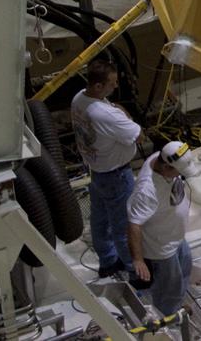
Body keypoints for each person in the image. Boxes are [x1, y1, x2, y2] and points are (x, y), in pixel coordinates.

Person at [70, 59, 142, 277]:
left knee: (100, 220)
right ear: (98, 86)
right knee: (124, 227)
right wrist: (124, 114)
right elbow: (138, 135)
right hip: (116, 176)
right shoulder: (105, 114)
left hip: (96, 172)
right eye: (112, 83)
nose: (116, 86)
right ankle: (134, 270)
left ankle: (108, 262)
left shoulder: (79, 98)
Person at [127, 140, 197, 317]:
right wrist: (138, 259)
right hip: (162, 247)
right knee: (169, 288)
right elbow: (134, 225)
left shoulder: (158, 158)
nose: (180, 176)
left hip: (176, 236)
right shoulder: (146, 192)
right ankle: (167, 318)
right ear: (166, 168)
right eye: (179, 172)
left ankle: (177, 304)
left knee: (185, 270)